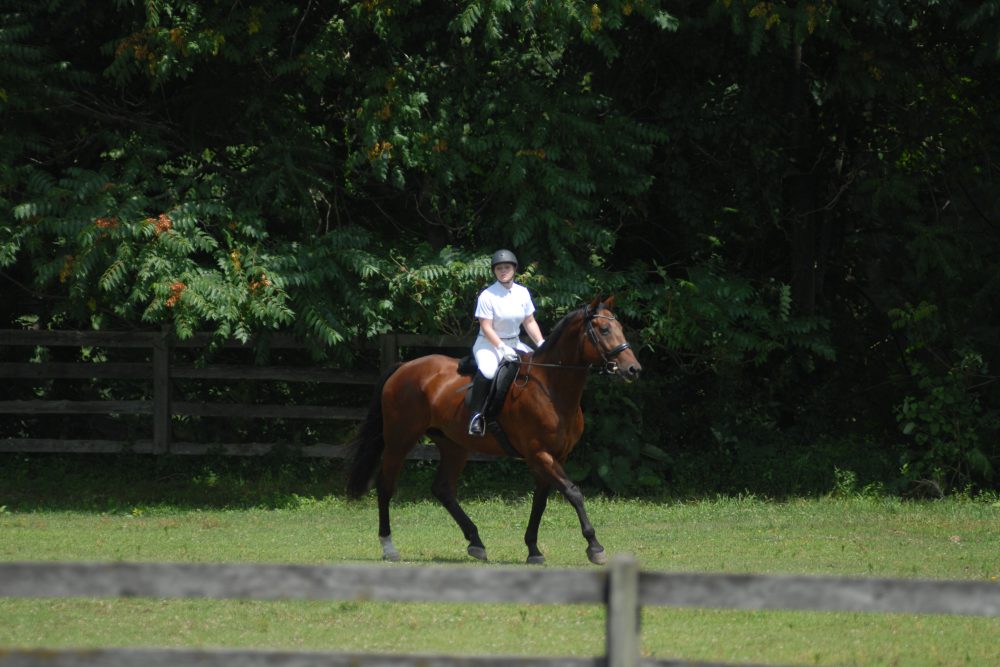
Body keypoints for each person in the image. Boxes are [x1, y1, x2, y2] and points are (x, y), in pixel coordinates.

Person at [467, 249, 545, 436]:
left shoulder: (523, 293)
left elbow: (529, 321)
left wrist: (541, 342)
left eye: (507, 267)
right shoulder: (487, 295)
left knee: (536, 366)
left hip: (515, 342)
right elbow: (486, 327)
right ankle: (476, 416)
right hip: (489, 343)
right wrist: (501, 347)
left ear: (514, 269)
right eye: (499, 268)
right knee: (488, 371)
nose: (503, 271)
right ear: (494, 271)